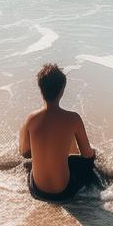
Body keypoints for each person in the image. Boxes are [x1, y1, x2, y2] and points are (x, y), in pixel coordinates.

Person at [18, 63, 101, 202]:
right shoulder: (73, 118)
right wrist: (95, 154)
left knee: (30, 163)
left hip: (37, 190)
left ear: (40, 89)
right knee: (88, 162)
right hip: (64, 192)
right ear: (62, 90)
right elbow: (86, 154)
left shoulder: (31, 119)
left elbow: (24, 152)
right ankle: (104, 194)